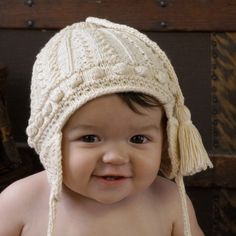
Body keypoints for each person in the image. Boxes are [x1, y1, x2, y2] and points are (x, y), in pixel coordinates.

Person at [0, 17, 213, 236]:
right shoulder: (20, 202)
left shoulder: (170, 202)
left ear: (166, 138)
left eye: (138, 139)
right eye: (90, 138)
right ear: (50, 140)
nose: (115, 157)